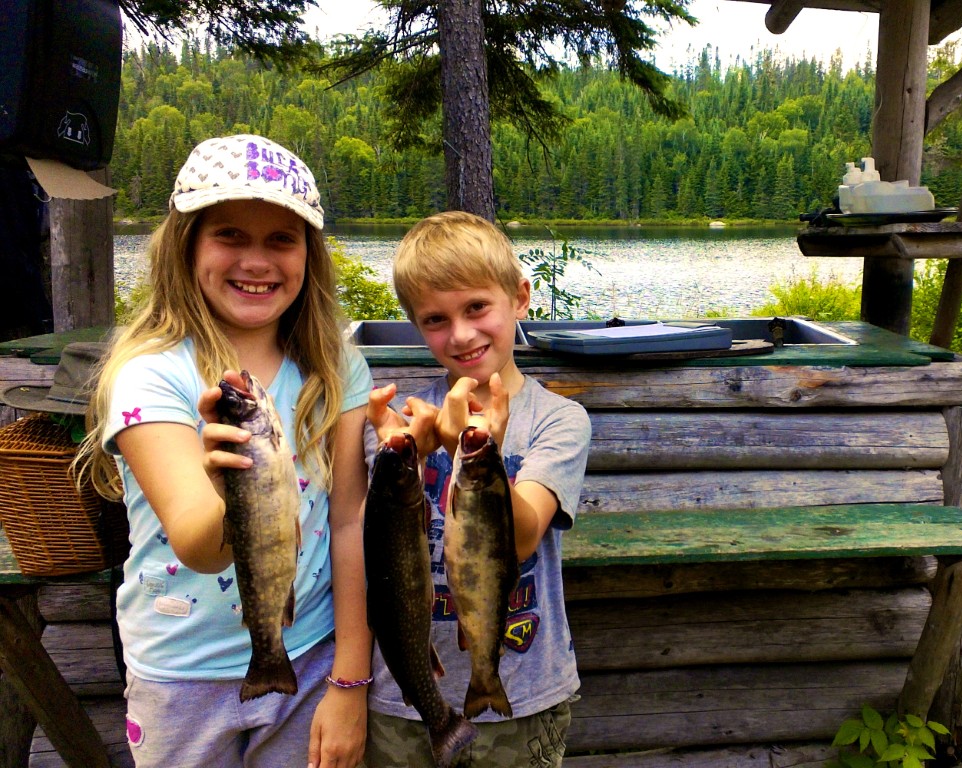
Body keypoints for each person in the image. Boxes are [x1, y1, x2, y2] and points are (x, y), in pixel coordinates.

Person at [75, 134, 373, 768]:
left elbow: (349, 521)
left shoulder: (339, 366)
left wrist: (351, 680)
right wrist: (227, 483)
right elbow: (198, 546)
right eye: (230, 235)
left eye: (281, 239)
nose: (256, 261)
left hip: (314, 658)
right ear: (187, 247)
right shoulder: (151, 376)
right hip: (179, 673)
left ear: (308, 255)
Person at [364, 211, 591, 768]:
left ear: (520, 298)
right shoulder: (401, 425)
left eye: (476, 308)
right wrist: (401, 461)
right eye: (436, 319)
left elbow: (521, 537)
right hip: (403, 695)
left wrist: (469, 454)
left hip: (524, 694)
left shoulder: (559, 420)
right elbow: (374, 542)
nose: (461, 334)